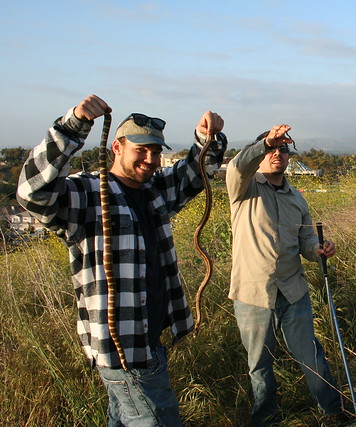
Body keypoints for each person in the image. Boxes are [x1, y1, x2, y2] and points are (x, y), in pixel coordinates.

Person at [16, 94, 226, 426]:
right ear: (117, 148)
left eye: (155, 152)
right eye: (140, 150)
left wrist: (207, 139)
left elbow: (194, 174)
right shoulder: (86, 194)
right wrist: (74, 125)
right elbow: (31, 192)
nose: (150, 159)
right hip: (123, 350)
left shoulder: (153, 191)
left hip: (149, 341)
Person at [225, 125, 351, 426]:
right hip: (253, 293)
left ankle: (333, 412)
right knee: (260, 363)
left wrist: (318, 249)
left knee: (311, 354)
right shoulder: (244, 188)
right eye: (271, 150)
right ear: (261, 155)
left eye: (282, 150)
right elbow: (237, 165)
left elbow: (305, 242)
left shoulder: (297, 198)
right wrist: (266, 141)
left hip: (293, 290)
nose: (277, 154)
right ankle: (266, 419)